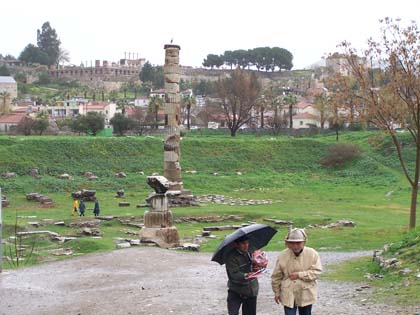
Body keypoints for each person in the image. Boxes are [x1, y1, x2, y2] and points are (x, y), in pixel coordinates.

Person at [271, 228, 322, 315]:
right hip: (288, 292)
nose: (295, 246)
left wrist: (300, 275)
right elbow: (276, 276)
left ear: (304, 242)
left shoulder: (312, 254)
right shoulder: (283, 255)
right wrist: (277, 292)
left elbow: (316, 272)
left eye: (298, 243)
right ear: (288, 243)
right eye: (292, 243)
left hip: (306, 293)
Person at [225, 235, 259, 315]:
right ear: (236, 245)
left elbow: (260, 262)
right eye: (243, 243)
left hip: (251, 290)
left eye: (247, 243)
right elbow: (234, 274)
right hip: (235, 290)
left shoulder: (252, 250)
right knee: (233, 312)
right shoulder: (231, 257)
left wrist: (257, 266)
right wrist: (246, 275)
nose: (246, 245)